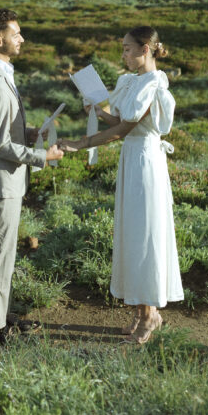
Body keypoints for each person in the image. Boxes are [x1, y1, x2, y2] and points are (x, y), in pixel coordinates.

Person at [60, 26, 183, 344]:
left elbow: (124, 130)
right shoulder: (133, 82)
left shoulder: (152, 82)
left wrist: (78, 144)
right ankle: (145, 311)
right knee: (133, 232)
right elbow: (124, 122)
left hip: (145, 164)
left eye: (128, 49)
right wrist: (99, 113)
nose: (124, 55)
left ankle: (148, 314)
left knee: (144, 234)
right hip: (134, 160)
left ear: (146, 49)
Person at [0, 7, 64, 345]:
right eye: (16, 34)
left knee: (4, 254)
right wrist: (42, 155)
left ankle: (0, 314)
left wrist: (25, 132)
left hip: (4, 181)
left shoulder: (0, 71)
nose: (22, 39)